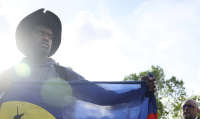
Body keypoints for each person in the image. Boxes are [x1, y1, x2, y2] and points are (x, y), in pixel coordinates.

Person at [0, 8, 155, 91]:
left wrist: (137, 88)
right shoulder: (8, 76)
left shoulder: (63, 75)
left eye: (50, 36)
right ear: (27, 37)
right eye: (41, 32)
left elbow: (99, 94)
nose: (46, 38)